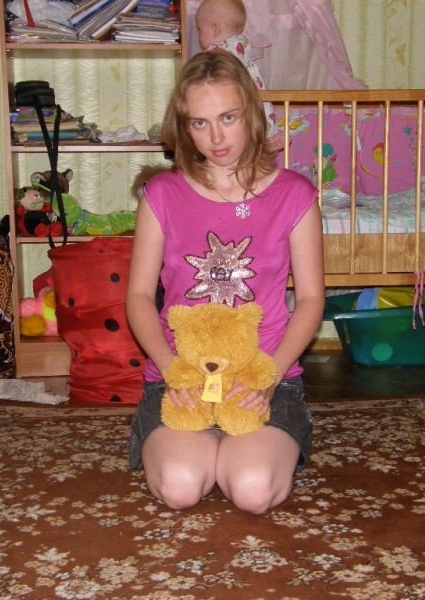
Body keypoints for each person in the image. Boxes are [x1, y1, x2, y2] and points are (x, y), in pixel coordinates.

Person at [126, 51, 325, 515]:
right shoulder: (161, 194)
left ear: (251, 113)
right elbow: (138, 296)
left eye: (228, 118)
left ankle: (239, 455)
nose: (215, 138)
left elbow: (312, 299)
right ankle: (205, 453)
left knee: (253, 490)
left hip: (263, 376)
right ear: (184, 127)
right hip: (181, 378)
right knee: (179, 487)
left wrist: (269, 377)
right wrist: (172, 370)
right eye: (199, 123)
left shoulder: (295, 194)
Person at [194, 0, 284, 151]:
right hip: (254, 111)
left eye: (199, 29)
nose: (198, 35)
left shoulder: (216, 56)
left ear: (215, 29)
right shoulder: (241, 47)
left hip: (238, 108)